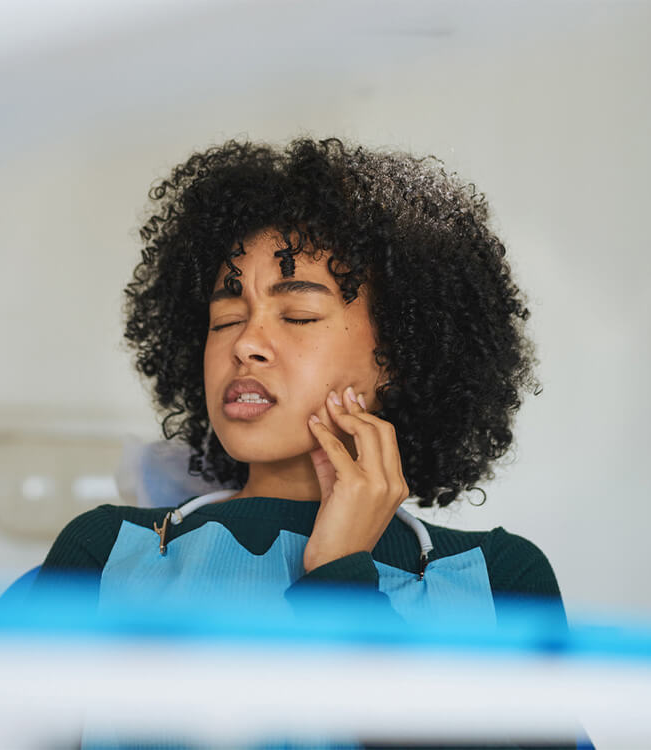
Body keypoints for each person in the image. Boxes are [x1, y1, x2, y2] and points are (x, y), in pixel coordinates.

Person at [30, 136, 563, 629]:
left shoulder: (496, 576)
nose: (246, 344)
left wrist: (340, 573)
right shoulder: (105, 550)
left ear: (399, 355)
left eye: (299, 315)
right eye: (226, 320)